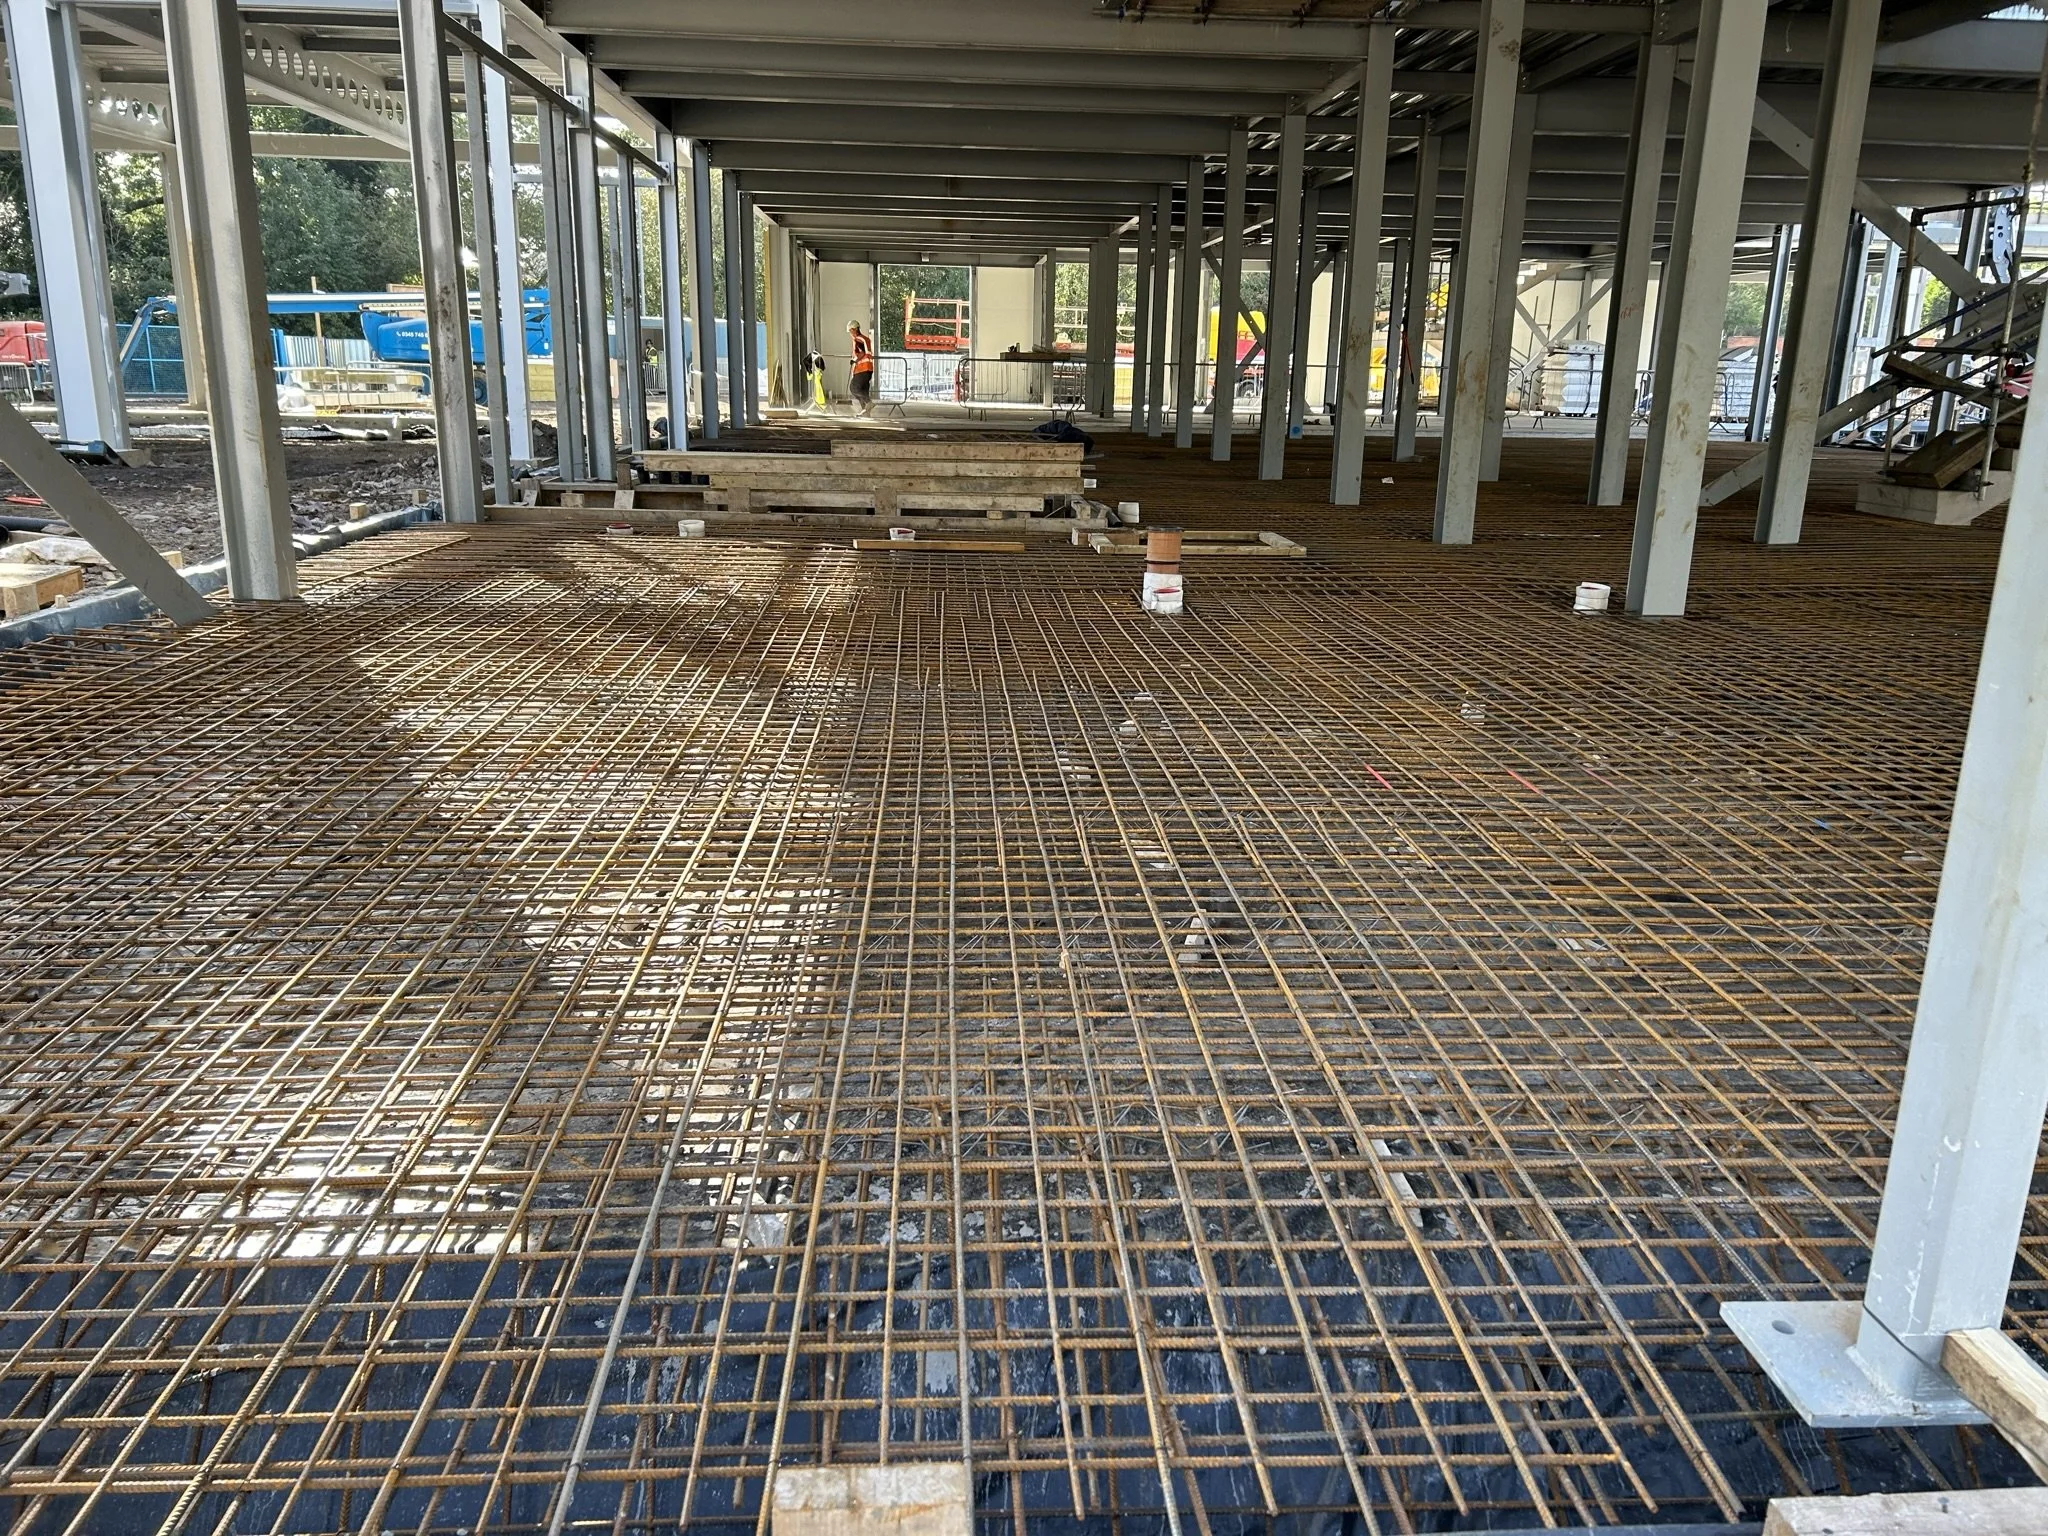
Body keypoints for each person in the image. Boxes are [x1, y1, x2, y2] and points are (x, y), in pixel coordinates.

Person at [848, 320, 875, 413]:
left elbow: (862, 352)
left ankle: (868, 402)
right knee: (863, 390)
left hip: (862, 369)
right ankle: (865, 411)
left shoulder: (858, 339)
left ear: (854, 329)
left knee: (854, 388)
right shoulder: (865, 339)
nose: (850, 333)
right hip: (869, 369)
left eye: (851, 331)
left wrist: (854, 360)